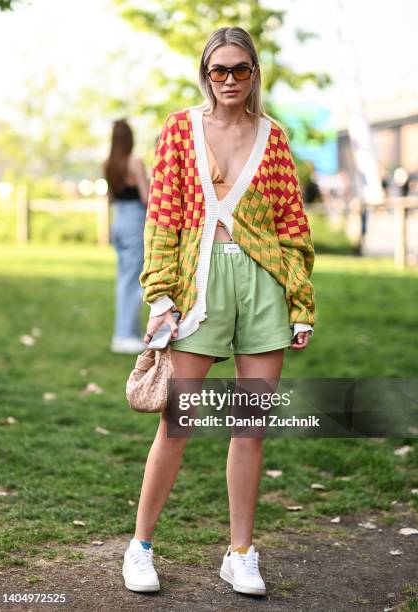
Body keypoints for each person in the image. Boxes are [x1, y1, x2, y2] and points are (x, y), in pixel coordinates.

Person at [122, 27, 316, 597]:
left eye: (240, 70)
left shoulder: (273, 137)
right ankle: (140, 547)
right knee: (176, 421)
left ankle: (240, 554)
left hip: (263, 284)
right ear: (205, 74)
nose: (229, 80)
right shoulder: (180, 130)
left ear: (255, 73)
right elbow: (163, 216)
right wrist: (160, 296)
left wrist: (300, 302)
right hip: (198, 281)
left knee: (250, 426)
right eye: (218, 70)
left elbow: (291, 224)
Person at [103, 119, 150, 354]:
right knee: (132, 281)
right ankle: (125, 336)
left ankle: (125, 332)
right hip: (133, 221)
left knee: (124, 279)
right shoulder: (134, 162)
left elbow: (110, 198)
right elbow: (146, 197)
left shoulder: (108, 164)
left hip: (118, 220)